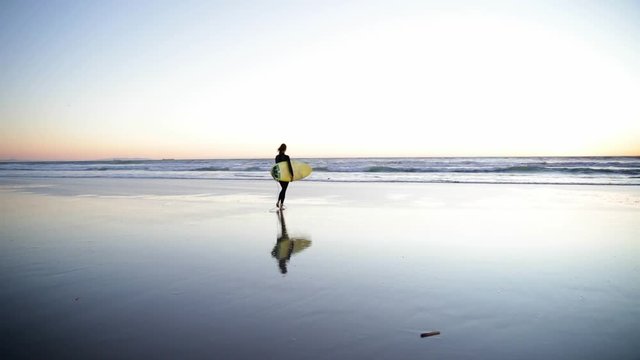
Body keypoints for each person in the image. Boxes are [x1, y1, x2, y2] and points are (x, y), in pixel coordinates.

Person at [275, 143, 294, 209]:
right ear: (285, 149)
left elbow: (277, 167)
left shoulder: (277, 157)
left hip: (280, 176)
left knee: (283, 189)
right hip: (286, 175)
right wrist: (292, 175)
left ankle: (278, 202)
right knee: (284, 189)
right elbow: (289, 167)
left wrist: (276, 176)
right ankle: (281, 204)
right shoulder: (286, 157)